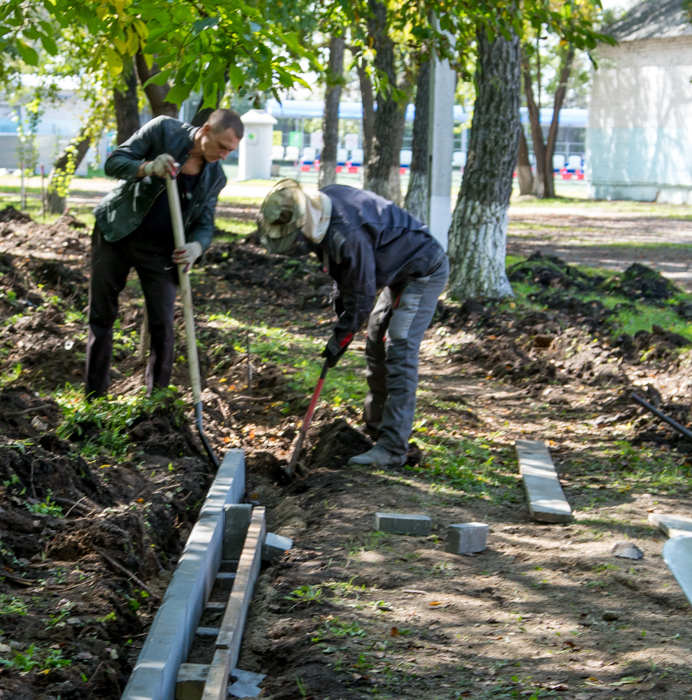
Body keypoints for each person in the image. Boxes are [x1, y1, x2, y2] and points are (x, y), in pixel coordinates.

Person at [256, 180, 449, 468]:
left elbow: (360, 297)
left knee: (398, 347)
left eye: (294, 240)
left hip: (423, 270)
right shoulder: (321, 209)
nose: (295, 246)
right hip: (394, 268)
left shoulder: (348, 234)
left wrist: (339, 340)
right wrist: (341, 313)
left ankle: (393, 448)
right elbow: (344, 274)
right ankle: (375, 430)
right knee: (375, 344)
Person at [84, 108, 242, 397]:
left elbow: (205, 223)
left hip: (162, 251)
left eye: (230, 151)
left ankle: (156, 406)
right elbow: (114, 163)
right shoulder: (163, 130)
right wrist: (148, 167)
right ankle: (94, 399)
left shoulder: (215, 177)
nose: (224, 155)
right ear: (206, 131)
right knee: (102, 318)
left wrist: (197, 246)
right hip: (117, 232)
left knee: (163, 325)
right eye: (221, 146)